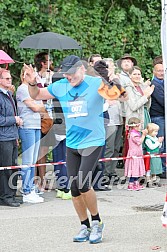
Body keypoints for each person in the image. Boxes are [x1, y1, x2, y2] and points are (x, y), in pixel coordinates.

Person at [24, 55, 123, 244]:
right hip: (72, 143)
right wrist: (32, 83)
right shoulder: (61, 85)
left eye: (71, 74)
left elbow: (116, 96)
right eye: (66, 74)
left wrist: (113, 80)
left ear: (82, 69)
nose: (69, 77)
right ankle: (84, 225)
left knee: (84, 182)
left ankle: (97, 222)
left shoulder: (95, 83)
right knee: (74, 188)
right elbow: (36, 95)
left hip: (93, 141)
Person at [16, 66, 45, 203]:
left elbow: (41, 104)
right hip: (27, 125)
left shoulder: (34, 89)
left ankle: (30, 187)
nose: (33, 76)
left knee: (33, 159)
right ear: (24, 76)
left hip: (36, 125)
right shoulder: (22, 89)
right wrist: (38, 105)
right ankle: (26, 191)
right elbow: (35, 107)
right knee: (28, 160)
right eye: (30, 74)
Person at [0, 68, 23, 207]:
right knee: (6, 168)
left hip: (12, 136)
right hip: (3, 138)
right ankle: (6, 196)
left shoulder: (8, 94)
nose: (10, 80)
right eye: (7, 78)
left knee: (14, 167)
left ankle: (12, 194)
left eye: (10, 78)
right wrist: (13, 119)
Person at [34, 52, 54, 191]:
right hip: (38, 116)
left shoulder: (51, 76)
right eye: (49, 60)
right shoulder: (34, 77)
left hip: (50, 116)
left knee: (44, 150)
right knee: (37, 150)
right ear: (43, 63)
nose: (51, 61)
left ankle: (42, 179)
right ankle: (38, 180)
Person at [149, 58, 166, 178]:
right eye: (159, 71)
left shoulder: (164, 83)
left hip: (163, 116)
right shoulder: (154, 84)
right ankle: (161, 169)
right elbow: (163, 100)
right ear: (154, 72)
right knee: (159, 144)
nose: (161, 73)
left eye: (163, 71)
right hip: (158, 117)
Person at [124, 117, 147, 191]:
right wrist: (143, 135)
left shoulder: (134, 133)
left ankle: (136, 182)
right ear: (135, 126)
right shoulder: (134, 134)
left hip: (137, 153)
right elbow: (139, 142)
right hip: (134, 154)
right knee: (134, 168)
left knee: (137, 168)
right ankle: (131, 184)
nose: (140, 127)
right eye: (139, 125)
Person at [144, 123, 163, 187]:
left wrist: (160, 142)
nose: (156, 133)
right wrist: (158, 142)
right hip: (150, 156)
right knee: (149, 169)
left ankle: (154, 179)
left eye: (157, 131)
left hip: (156, 155)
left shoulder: (155, 138)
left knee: (155, 168)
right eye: (155, 131)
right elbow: (152, 147)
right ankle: (148, 180)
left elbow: (158, 147)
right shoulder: (148, 139)